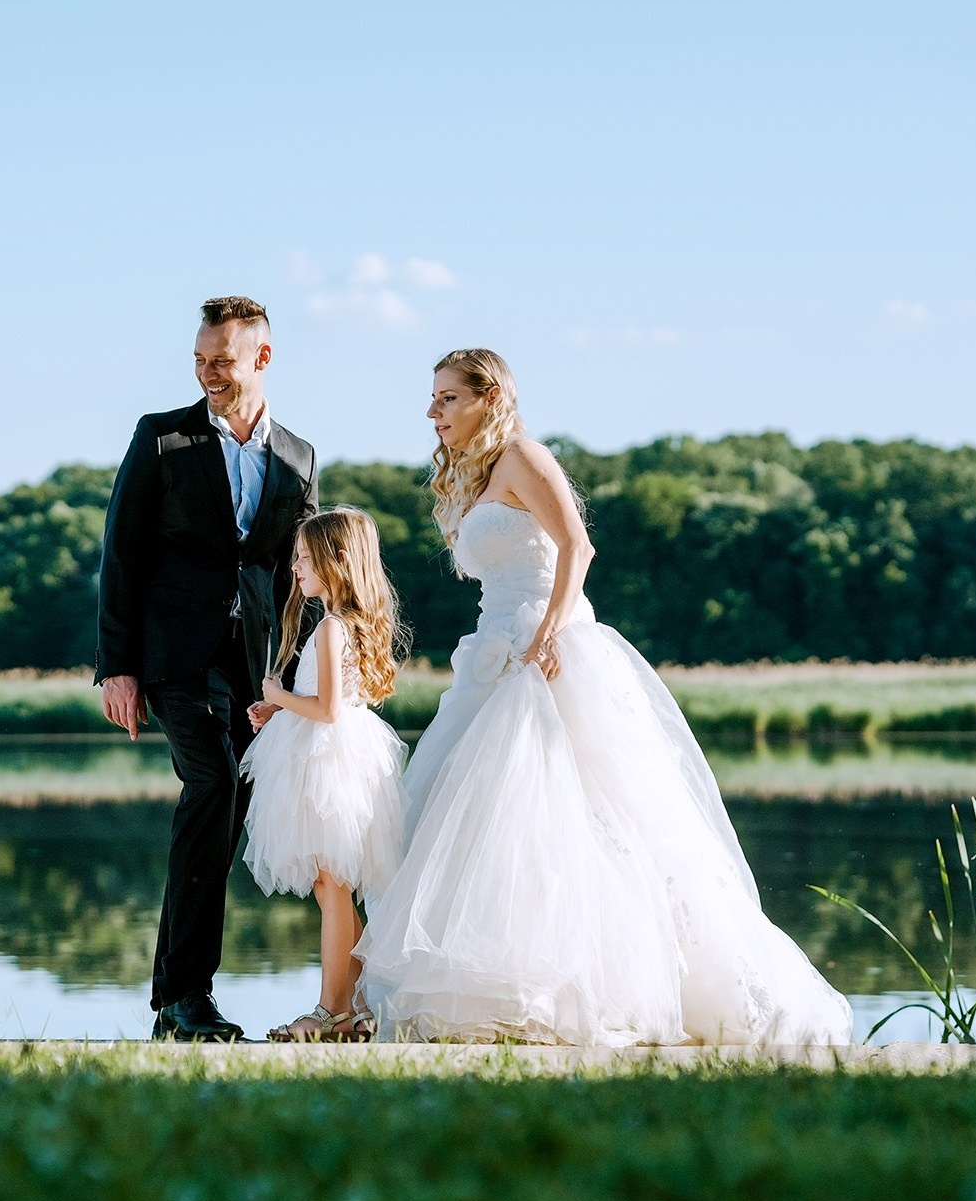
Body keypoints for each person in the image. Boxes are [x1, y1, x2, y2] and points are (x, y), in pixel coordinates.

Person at [357, 350, 853, 1045]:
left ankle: (623, 988)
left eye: (445, 398)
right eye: (432, 398)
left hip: (546, 650)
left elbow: (577, 547)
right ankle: (509, 993)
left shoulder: (525, 455)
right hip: (492, 650)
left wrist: (550, 631)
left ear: (487, 395)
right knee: (474, 824)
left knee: (583, 816)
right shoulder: (481, 473)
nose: (432, 412)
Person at [96, 296, 318, 1041]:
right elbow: (121, 551)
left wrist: (305, 674)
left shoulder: (297, 455)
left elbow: (299, 576)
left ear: (261, 357)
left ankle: (174, 999)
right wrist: (116, 668)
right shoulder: (162, 439)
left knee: (232, 807)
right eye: (199, 360)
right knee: (214, 783)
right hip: (173, 657)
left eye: (221, 360)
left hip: (257, 666)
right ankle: (186, 995)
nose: (207, 373)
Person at [240, 508, 409, 1042]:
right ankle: (354, 1006)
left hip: (329, 762)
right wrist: (285, 711)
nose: (295, 569)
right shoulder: (346, 624)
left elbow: (331, 709)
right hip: (336, 755)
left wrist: (276, 695)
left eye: (304, 559)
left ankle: (329, 1012)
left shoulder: (334, 628)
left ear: (338, 561)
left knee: (332, 887)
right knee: (329, 884)